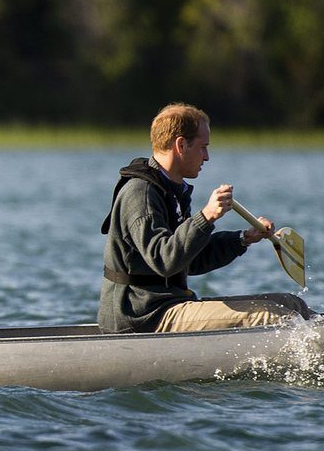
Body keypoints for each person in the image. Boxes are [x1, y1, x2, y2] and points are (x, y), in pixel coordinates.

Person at [98, 103, 310, 333]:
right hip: (142, 316)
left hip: (169, 305)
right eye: (203, 147)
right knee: (270, 315)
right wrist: (206, 217)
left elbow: (191, 261)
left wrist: (243, 238)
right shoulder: (141, 194)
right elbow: (165, 261)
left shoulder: (172, 191)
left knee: (290, 303)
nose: (207, 157)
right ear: (181, 145)